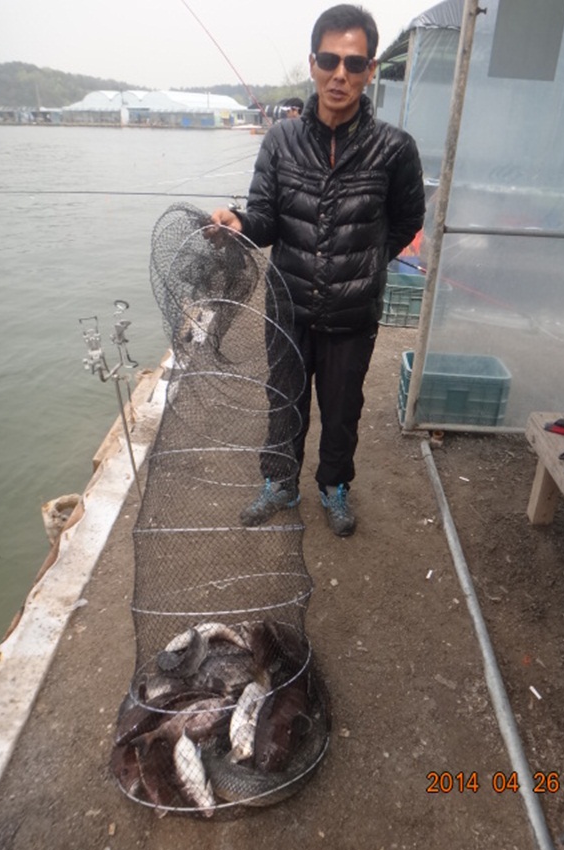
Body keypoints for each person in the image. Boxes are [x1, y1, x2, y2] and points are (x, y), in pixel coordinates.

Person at [211, 3, 425, 537]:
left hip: (353, 315)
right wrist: (239, 222)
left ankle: (334, 486)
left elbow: (408, 219)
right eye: (329, 60)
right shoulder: (281, 141)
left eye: (354, 63)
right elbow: (264, 219)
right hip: (287, 309)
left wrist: (368, 261)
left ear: (370, 70)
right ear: (312, 64)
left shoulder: (395, 149)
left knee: (342, 410)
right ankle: (280, 483)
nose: (339, 74)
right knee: (283, 402)